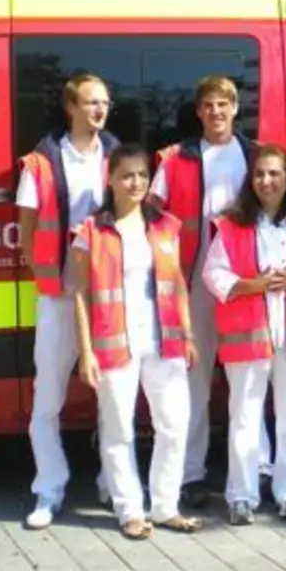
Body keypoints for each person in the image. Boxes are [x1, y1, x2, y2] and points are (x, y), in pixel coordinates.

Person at [71, 144, 204, 539]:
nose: (136, 183)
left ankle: (165, 507)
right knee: (118, 429)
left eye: (142, 175)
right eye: (127, 175)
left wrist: (189, 332)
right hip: (115, 341)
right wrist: (85, 351)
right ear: (109, 179)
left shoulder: (166, 225)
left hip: (165, 338)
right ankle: (129, 509)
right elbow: (80, 294)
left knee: (175, 424)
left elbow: (177, 282)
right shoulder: (91, 231)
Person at [202, 145, 286, 525]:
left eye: (274, 173)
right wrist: (250, 285)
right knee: (244, 417)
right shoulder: (231, 225)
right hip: (248, 335)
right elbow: (213, 274)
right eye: (260, 174)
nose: (266, 181)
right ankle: (241, 496)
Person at [16, 73, 120, 530]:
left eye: (104, 102)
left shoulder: (118, 157)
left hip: (107, 293)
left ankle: (111, 484)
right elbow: (26, 227)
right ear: (70, 107)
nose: (99, 109)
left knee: (113, 397)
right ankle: (49, 489)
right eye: (90, 102)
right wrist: (45, 275)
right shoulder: (40, 162)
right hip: (59, 294)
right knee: (48, 397)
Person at [148, 74, 256, 508]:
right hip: (194, 280)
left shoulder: (253, 154)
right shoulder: (176, 158)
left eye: (223, 104)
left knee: (248, 381)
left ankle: (252, 471)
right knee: (193, 380)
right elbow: (154, 213)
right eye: (208, 105)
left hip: (243, 283)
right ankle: (191, 474)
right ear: (198, 111)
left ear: (235, 108)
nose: (216, 112)